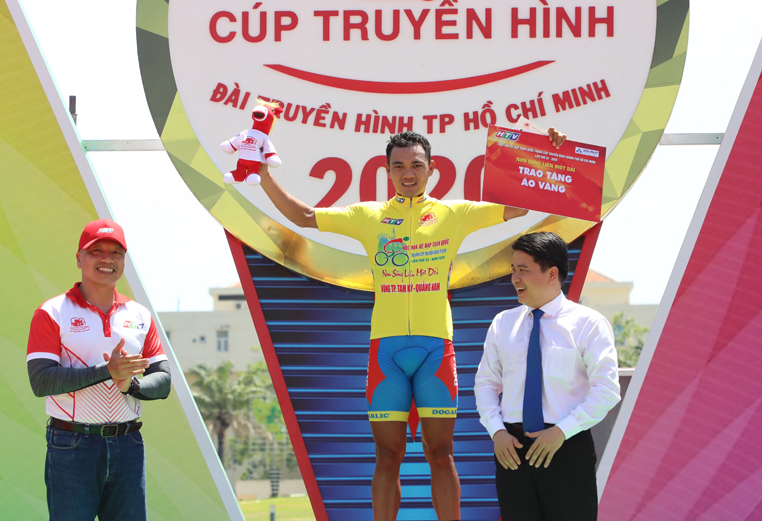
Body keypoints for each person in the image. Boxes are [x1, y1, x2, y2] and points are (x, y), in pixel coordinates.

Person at [257, 130, 565, 521]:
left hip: (436, 348)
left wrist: (546, 152)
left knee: (441, 453)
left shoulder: (453, 215)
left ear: (431, 169)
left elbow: (517, 207)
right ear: (386, 170)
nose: (408, 173)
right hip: (386, 351)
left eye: (416, 165)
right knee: (387, 455)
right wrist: (263, 175)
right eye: (399, 166)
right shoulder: (368, 216)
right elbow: (303, 216)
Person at [26, 218, 171, 521]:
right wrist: (107, 370)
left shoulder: (140, 315)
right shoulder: (52, 312)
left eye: (116, 253)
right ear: (79, 258)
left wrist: (131, 386)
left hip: (129, 443)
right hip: (72, 445)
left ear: (124, 261)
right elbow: (41, 380)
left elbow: (163, 380)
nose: (107, 259)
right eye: (96, 251)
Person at [474, 231, 621, 521]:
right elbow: (486, 383)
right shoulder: (503, 323)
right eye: (513, 270)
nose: (515, 278)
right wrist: (497, 432)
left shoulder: (588, 323)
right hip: (512, 451)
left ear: (552, 273)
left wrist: (562, 432)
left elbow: (607, 390)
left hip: (566, 445)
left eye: (523, 270)